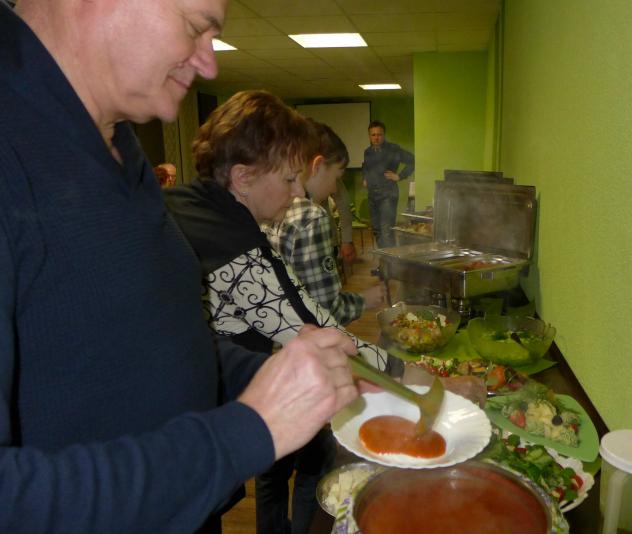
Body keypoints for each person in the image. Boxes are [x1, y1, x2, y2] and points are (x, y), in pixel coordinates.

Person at [0, 2, 361, 533]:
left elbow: (154, 340)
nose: (209, 63)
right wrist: (247, 432)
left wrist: (272, 376)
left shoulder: (116, 141)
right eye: (195, 27)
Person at [163, 91, 388, 534]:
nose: (298, 191)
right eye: (288, 179)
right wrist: (411, 376)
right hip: (181, 444)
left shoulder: (189, 205)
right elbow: (308, 323)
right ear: (243, 177)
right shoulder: (228, 241)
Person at [267, 120, 385, 326]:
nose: (334, 189)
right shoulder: (312, 217)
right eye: (336, 177)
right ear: (318, 166)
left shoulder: (270, 205)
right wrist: (364, 300)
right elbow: (327, 311)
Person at [361, 120, 415, 248]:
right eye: (373, 135)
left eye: (379, 134)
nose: (376, 138)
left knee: (386, 232)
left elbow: (412, 160)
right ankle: (383, 258)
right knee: (377, 230)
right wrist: (365, 178)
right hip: (372, 195)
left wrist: (400, 176)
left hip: (388, 195)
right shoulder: (367, 152)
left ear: (384, 135)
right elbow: (366, 167)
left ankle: (390, 260)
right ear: (369, 136)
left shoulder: (393, 149)